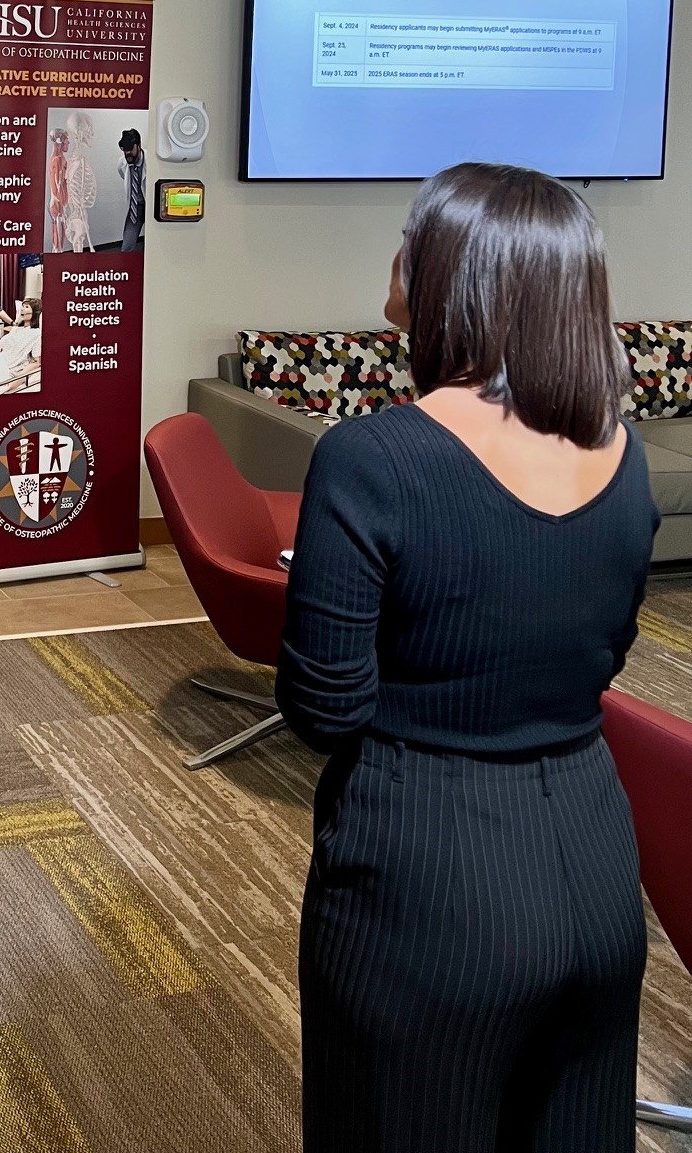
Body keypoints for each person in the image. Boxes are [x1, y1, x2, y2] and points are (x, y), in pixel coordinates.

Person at [278, 163, 659, 1153]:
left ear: (450, 275)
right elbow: (605, 651)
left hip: (427, 881)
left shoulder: (371, 460)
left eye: (410, 238)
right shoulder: (623, 455)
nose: (397, 256)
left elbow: (325, 708)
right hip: (599, 865)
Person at [117, 127, 146, 251]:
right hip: (136, 208)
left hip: (152, 207)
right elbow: (125, 177)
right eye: (125, 150)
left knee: (154, 244)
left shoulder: (152, 163)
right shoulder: (122, 163)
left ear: (139, 146)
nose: (127, 153)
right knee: (127, 247)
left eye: (130, 149)